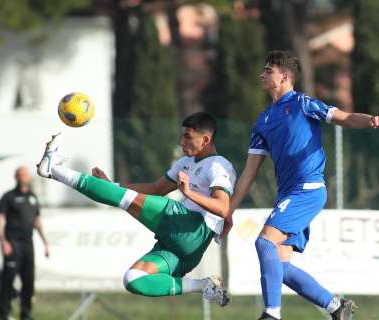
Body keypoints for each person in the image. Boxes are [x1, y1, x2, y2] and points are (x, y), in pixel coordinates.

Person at [227, 50, 379, 320]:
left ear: (285, 77)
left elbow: (345, 117)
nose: (262, 74)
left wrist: (370, 120)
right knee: (281, 266)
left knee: (264, 242)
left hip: (308, 189)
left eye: (269, 70)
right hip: (287, 195)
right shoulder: (263, 120)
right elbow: (249, 172)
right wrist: (229, 210)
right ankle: (335, 307)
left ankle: (272, 314)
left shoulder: (302, 103)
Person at [36, 112, 234, 305]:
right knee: (134, 279)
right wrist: (111, 185)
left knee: (124, 200)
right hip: (184, 248)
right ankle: (204, 285)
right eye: (181, 135)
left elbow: (223, 208)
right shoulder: (185, 163)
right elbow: (155, 190)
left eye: (187, 137)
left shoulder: (218, 165)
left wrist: (189, 193)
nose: (181, 142)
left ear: (205, 140)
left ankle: (54, 169)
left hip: (193, 229)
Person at [0, 167, 49, 320]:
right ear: (16, 177)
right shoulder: (8, 197)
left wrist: (45, 242)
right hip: (12, 243)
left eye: (25, 175)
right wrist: (3, 241)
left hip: (27, 244)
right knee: (8, 279)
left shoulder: (33, 197)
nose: (22, 177)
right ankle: (4, 313)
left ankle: (26, 314)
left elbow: (37, 221)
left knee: (29, 281)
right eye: (20, 175)